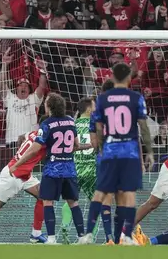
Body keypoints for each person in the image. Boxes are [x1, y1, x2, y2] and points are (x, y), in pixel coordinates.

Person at [80, 63, 153, 245]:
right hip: (129, 152)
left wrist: (103, 150)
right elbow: (143, 127)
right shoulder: (136, 98)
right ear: (130, 77)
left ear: (112, 77)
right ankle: (127, 236)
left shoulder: (103, 99)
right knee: (128, 193)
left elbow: (98, 129)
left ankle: (88, 233)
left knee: (101, 192)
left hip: (110, 152)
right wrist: (149, 152)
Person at [9, 93, 91, 244]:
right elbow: (76, 146)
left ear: (49, 107)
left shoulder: (46, 124)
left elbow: (34, 149)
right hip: (69, 169)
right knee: (73, 202)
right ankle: (82, 237)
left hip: (53, 169)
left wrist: (17, 164)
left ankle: (51, 238)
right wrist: (90, 145)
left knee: (47, 202)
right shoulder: (71, 122)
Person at [60, 97, 114, 244]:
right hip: (92, 169)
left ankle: (65, 225)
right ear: (89, 109)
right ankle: (91, 236)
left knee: (70, 201)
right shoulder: (97, 124)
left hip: (75, 168)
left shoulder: (72, 124)